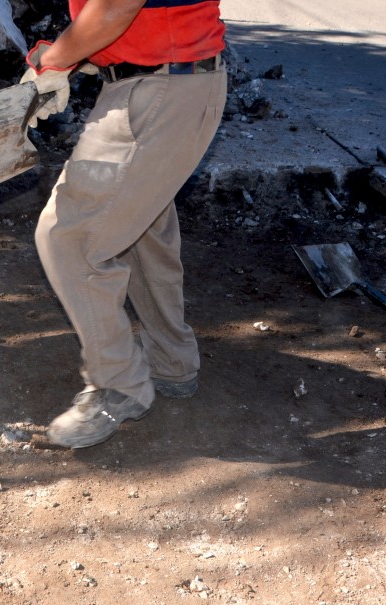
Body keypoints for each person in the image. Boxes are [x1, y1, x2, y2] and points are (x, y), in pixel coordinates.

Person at [23, 0, 227, 448]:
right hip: (168, 82)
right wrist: (67, 51)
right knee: (141, 232)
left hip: (162, 89)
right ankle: (172, 364)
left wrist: (56, 59)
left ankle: (119, 386)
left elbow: (117, 6)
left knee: (70, 237)